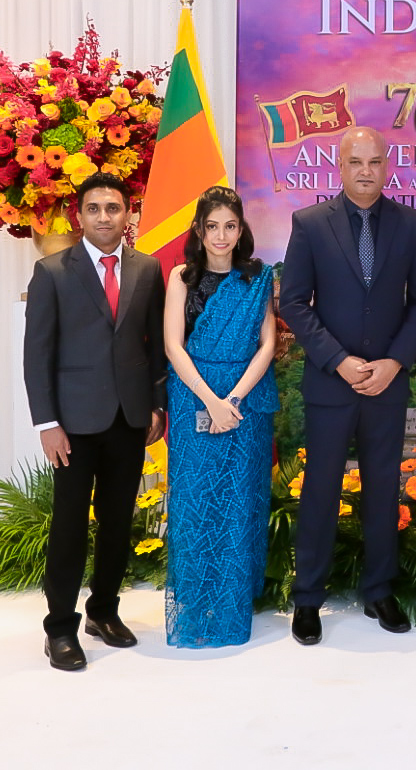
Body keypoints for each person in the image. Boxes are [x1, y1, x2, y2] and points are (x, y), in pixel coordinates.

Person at [280, 126, 416, 643]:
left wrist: (395, 362)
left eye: (374, 162)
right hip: (331, 384)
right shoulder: (310, 224)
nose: (366, 171)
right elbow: (294, 302)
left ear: (386, 166)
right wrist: (339, 360)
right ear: (340, 166)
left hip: (387, 384)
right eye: (355, 162)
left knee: (381, 490)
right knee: (320, 490)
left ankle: (379, 590)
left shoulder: (411, 224)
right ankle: (308, 598)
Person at [23, 171, 167, 671]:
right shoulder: (52, 272)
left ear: (128, 214)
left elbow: (155, 346)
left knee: (117, 521)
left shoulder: (148, 269)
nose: (104, 217)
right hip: (72, 423)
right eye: (94, 208)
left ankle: (103, 611)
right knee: (69, 525)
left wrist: (156, 405)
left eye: (113, 208)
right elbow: (36, 354)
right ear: (78, 215)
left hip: (129, 418)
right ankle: (60, 627)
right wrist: (47, 423)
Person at [161, 186, 279, 648]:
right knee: (195, 500)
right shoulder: (181, 278)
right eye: (212, 226)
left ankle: (233, 600)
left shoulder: (258, 278)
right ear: (198, 230)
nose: (221, 236)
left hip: (246, 402)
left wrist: (234, 398)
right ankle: (194, 602)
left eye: (230, 226)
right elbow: (173, 346)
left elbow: (268, 344)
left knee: (239, 500)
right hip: (193, 398)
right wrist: (211, 401)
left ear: (241, 228)